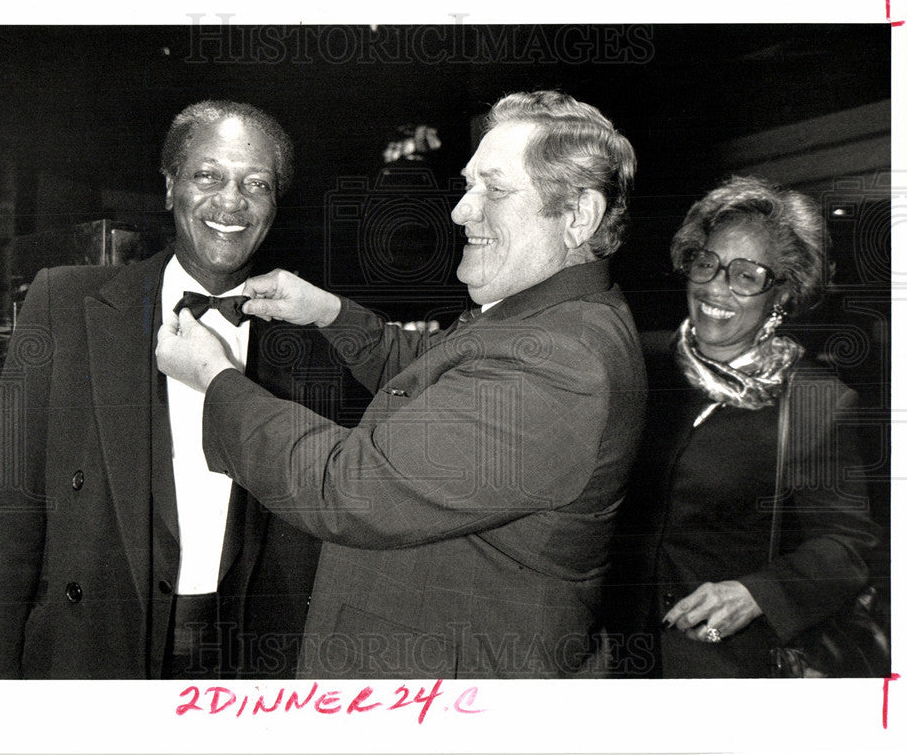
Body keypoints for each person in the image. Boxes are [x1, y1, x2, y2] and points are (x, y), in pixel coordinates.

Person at [157, 90, 646, 678]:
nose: (463, 210)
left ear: (577, 217)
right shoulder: (546, 318)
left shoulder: (563, 364)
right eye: (469, 186)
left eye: (495, 189)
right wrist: (329, 312)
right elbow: (429, 372)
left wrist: (217, 384)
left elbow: (348, 489)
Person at [0, 100, 330, 679]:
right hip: (94, 655)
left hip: (250, 665)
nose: (232, 201)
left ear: (275, 204)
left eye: (257, 184)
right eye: (208, 176)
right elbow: (3, 519)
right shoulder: (64, 303)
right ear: (170, 185)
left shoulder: (309, 338)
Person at [637, 175, 878, 678]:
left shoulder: (816, 401)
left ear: (782, 294)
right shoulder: (638, 363)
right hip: (609, 656)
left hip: (717, 665)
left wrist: (756, 593)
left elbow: (844, 546)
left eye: (746, 276)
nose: (714, 287)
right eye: (706, 263)